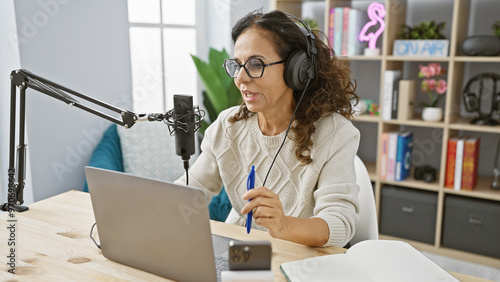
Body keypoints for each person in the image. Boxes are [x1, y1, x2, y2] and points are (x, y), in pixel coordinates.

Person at [175, 9, 360, 248]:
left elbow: (340, 224)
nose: (241, 78)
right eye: (237, 65)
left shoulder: (335, 133)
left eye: (255, 64)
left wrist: (283, 225)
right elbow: (192, 191)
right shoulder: (227, 125)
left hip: (301, 258)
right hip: (241, 246)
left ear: (297, 69)